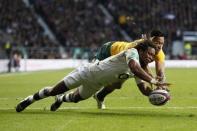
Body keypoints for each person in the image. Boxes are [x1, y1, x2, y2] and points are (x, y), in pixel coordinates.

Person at [16, 41, 167, 112]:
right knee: (53, 90)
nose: (151, 57)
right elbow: (134, 67)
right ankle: (29, 100)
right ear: (141, 51)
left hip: (96, 84)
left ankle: (61, 99)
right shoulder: (132, 53)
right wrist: (153, 79)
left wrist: (158, 93)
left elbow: (143, 89)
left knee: (75, 99)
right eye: (148, 53)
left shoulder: (140, 69)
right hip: (86, 73)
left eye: (153, 56)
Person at [93, 30, 166, 109]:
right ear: (150, 40)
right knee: (94, 76)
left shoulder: (159, 52)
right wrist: (152, 79)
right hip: (109, 51)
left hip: (130, 64)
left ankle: (99, 96)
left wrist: (161, 89)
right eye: (157, 43)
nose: (160, 46)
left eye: (162, 43)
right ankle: (83, 88)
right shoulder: (138, 46)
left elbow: (160, 71)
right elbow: (139, 66)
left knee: (119, 85)